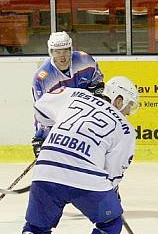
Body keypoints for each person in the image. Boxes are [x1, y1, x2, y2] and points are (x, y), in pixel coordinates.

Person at [0, 76, 139, 234]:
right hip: (86, 178)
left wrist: (54, 132)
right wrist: (112, 193)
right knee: (111, 223)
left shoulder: (74, 94)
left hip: (46, 169)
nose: (128, 112)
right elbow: (113, 173)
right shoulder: (125, 128)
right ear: (118, 98)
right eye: (128, 105)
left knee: (35, 229)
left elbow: (42, 105)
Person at [31, 31, 105, 159]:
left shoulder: (85, 60)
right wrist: (41, 137)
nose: (62, 56)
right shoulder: (42, 79)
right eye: (57, 52)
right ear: (51, 52)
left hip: (86, 120)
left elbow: (98, 87)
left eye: (65, 51)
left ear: (71, 49)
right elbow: (43, 113)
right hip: (60, 124)